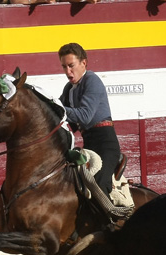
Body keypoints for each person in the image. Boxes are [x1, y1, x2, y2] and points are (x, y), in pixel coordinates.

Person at [58, 43, 121, 202]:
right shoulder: (68, 88)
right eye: (64, 67)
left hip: (105, 144)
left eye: (71, 66)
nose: (67, 71)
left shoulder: (92, 80)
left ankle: (110, 227)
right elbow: (61, 120)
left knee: (98, 185)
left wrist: (56, 107)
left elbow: (85, 116)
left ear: (83, 63)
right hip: (89, 147)